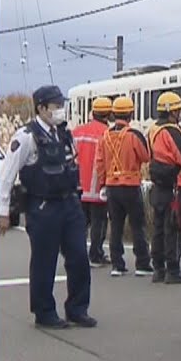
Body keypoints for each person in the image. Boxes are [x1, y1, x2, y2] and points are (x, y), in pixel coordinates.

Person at [0, 85, 96, 329]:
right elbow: (7, 174)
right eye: (55, 106)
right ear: (41, 108)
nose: (60, 110)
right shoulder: (26, 137)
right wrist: (3, 211)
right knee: (44, 261)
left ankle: (77, 308)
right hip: (42, 206)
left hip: (69, 204)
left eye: (61, 105)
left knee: (79, 257)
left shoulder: (64, 134)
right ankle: (44, 311)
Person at [94, 95, 154, 277]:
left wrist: (103, 183)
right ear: (130, 114)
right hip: (131, 185)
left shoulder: (104, 136)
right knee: (137, 225)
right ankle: (142, 263)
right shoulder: (134, 135)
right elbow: (146, 156)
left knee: (116, 226)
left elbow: (100, 163)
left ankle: (117, 265)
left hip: (112, 186)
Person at [148, 91, 181, 284]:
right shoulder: (172, 131)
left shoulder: (153, 130)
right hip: (174, 186)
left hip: (158, 185)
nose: (180, 114)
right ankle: (173, 270)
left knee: (159, 227)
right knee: (175, 227)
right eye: (178, 110)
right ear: (171, 112)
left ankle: (159, 269)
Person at [73, 96, 112, 268]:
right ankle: (95, 255)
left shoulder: (77, 131)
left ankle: (76, 254)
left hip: (78, 187)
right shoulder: (108, 134)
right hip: (98, 188)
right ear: (108, 114)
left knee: (80, 224)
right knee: (99, 223)